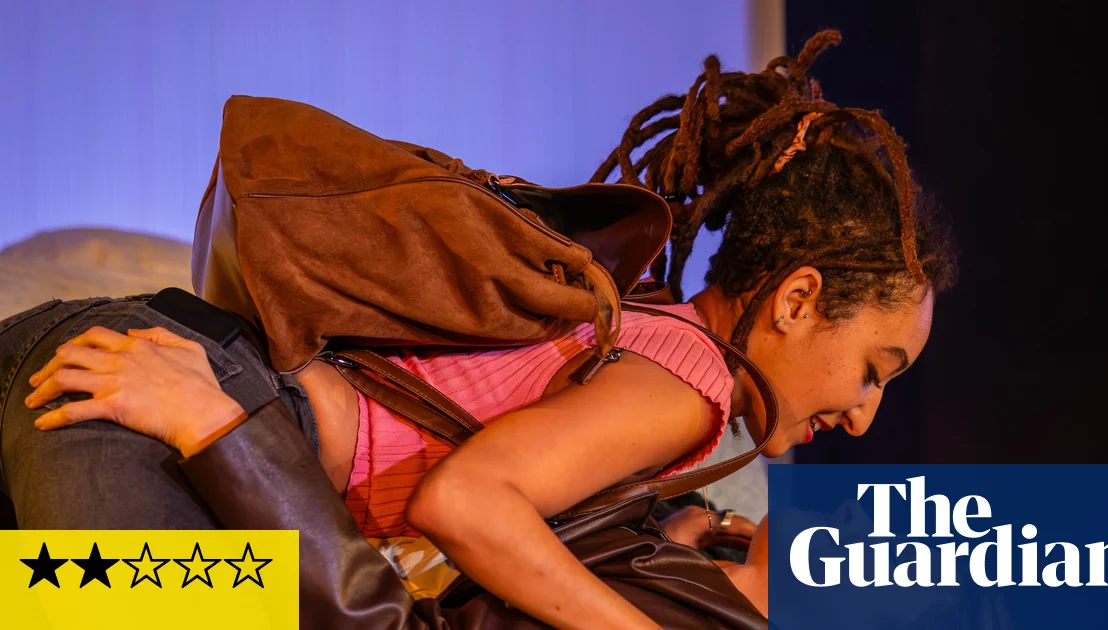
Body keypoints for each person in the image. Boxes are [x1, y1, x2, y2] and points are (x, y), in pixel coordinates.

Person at [0, 29, 956, 629]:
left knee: (58, 595)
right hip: (189, 407)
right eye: (876, 369)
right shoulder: (692, 386)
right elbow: (464, 502)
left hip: (186, 415)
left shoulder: (661, 348)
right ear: (795, 300)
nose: (864, 415)